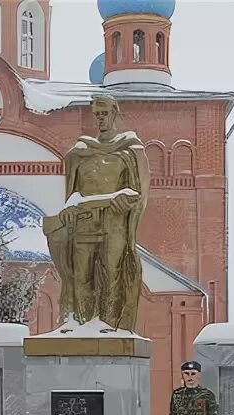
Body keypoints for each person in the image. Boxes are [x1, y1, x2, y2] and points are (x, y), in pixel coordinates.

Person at [43, 94, 150, 332]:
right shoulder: (80, 153)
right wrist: (70, 209)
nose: (100, 119)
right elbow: (72, 193)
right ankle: (82, 323)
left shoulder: (129, 151)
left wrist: (126, 201)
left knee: (113, 272)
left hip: (115, 224)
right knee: (81, 275)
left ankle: (109, 324)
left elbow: (139, 192)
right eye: (97, 115)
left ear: (115, 113)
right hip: (84, 224)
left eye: (105, 114)